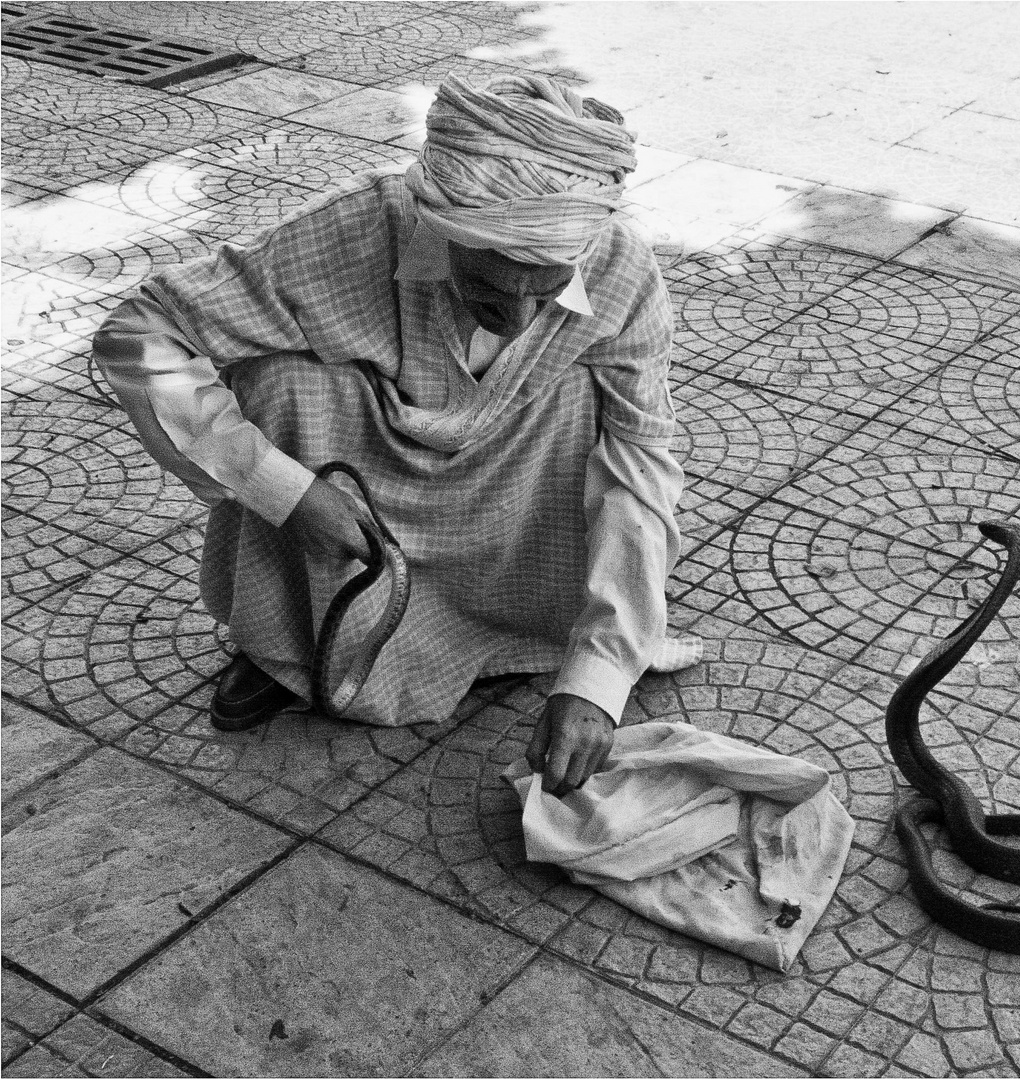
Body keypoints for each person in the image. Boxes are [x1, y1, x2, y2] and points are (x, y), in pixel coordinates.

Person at [93, 74, 700, 796]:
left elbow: (642, 456)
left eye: (546, 289)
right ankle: (287, 649)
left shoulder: (622, 266)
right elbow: (142, 333)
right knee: (278, 377)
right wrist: (284, 490)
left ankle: (522, 637)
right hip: (363, 477)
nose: (519, 315)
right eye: (490, 287)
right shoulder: (355, 229)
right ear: (440, 229)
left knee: (584, 398)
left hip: (511, 483)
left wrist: (600, 678)